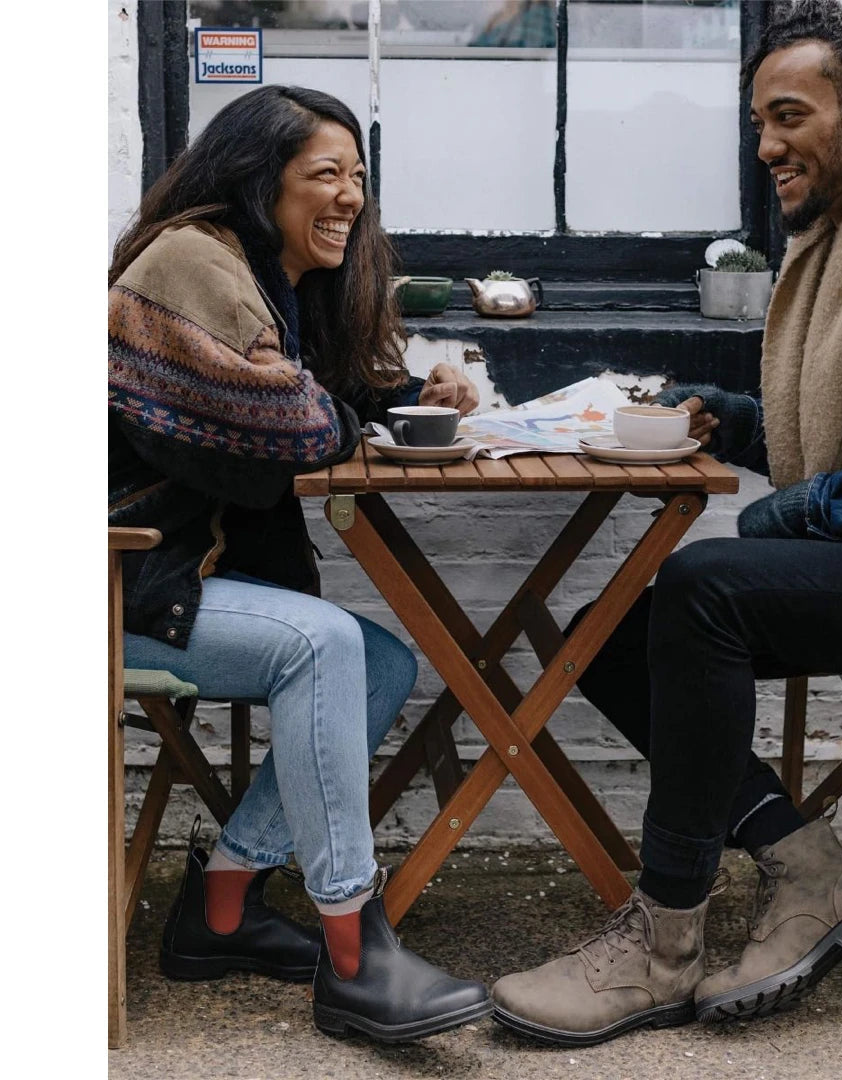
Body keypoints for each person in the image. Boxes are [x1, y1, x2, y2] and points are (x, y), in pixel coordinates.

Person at [491, 0, 842, 1046]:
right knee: (603, 640)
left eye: (789, 116)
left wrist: (805, 504)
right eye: (758, 122)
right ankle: (810, 869)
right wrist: (739, 424)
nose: (766, 147)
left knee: (706, 589)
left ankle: (664, 948)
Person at [109, 84, 490, 1043]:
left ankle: (224, 907)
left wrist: (407, 389)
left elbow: (317, 396)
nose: (350, 197)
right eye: (325, 174)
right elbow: (291, 421)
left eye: (358, 177)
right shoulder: (189, 262)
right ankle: (355, 958)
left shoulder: (273, 280)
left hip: (185, 576)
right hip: (124, 583)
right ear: (255, 178)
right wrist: (362, 408)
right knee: (322, 648)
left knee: (382, 661)